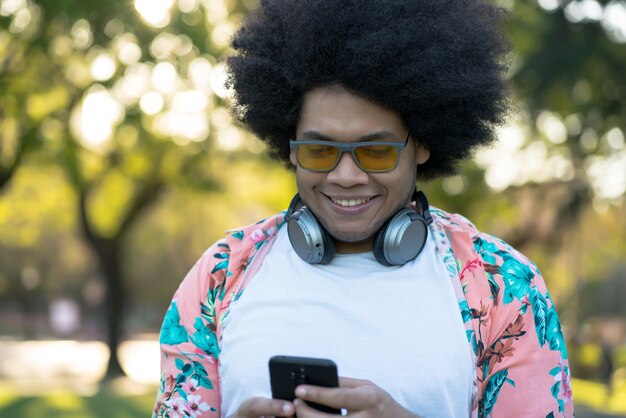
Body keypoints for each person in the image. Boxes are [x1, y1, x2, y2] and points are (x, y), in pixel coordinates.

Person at [153, 0, 574, 417]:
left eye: (375, 151)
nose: (347, 176)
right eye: (320, 150)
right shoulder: (221, 275)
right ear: (291, 148)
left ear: (422, 143)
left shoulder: (504, 286)